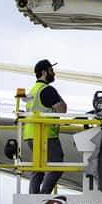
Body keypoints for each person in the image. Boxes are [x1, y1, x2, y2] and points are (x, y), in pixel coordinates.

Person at [24, 59, 67, 194]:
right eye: (51, 70)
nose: (53, 73)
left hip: (31, 135)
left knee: (38, 168)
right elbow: (62, 109)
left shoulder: (33, 91)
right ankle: (43, 197)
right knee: (56, 167)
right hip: (46, 135)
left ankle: (34, 198)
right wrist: (58, 96)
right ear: (44, 72)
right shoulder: (47, 90)